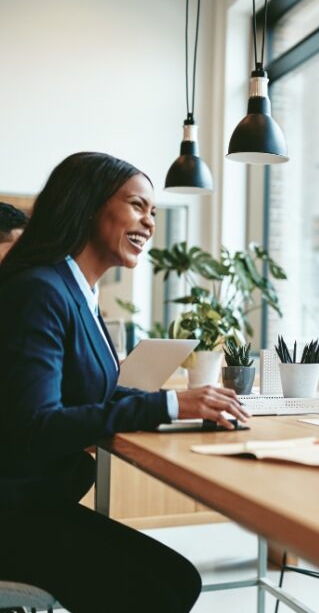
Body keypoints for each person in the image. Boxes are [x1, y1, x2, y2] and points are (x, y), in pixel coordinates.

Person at [0, 152, 250, 613]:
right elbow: (36, 425)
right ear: (89, 205)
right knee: (159, 593)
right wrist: (169, 408)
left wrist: (177, 405)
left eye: (153, 212)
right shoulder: (40, 290)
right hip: (14, 514)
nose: (149, 223)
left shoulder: (75, 290)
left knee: (179, 580)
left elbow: (92, 389)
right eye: (138, 205)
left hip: (34, 503)